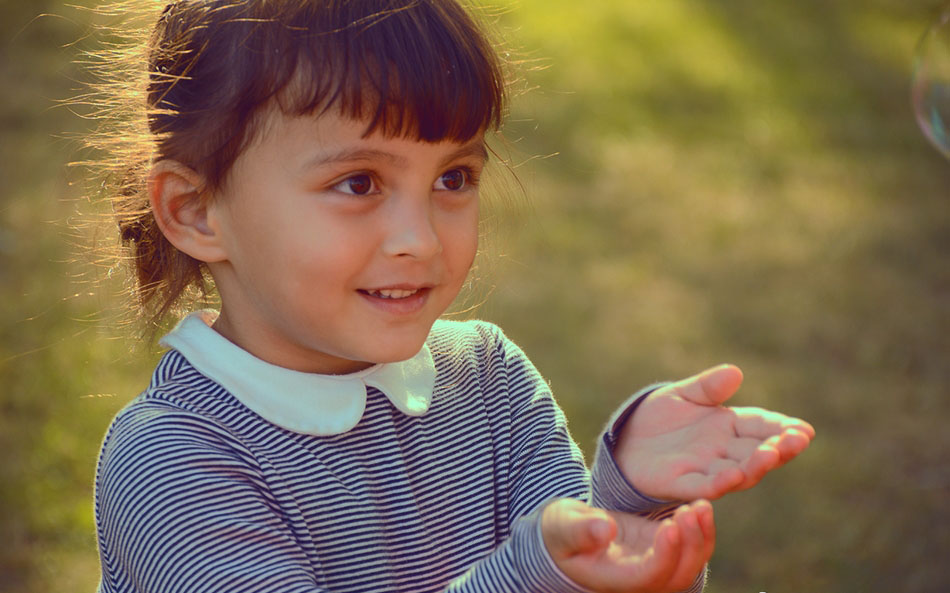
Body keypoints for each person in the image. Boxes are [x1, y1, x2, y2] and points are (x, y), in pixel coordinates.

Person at [89, 1, 815, 592]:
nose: (423, 239)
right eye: (359, 183)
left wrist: (627, 507)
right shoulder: (174, 459)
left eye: (453, 179)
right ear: (195, 211)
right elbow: (533, 571)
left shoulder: (489, 376)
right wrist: (537, 572)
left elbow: (564, 558)